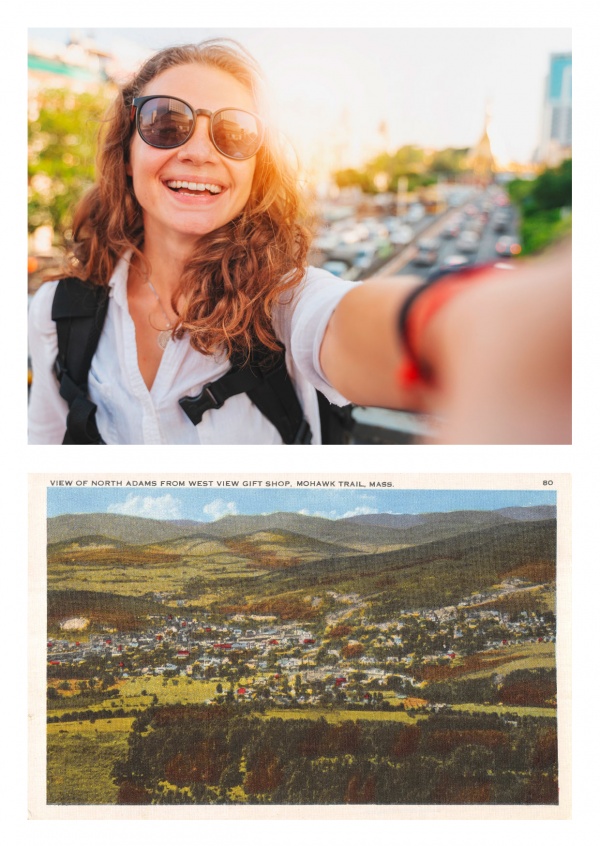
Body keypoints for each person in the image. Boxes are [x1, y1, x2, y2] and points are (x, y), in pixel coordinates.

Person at [28, 39, 571, 445]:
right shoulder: (57, 312)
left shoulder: (281, 303)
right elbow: (41, 458)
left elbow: (348, 323)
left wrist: (472, 327)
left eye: (234, 133)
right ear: (127, 149)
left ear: (256, 169)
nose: (199, 151)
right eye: (166, 122)